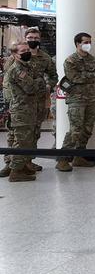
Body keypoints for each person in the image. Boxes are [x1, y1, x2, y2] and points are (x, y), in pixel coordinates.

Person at [59, 32, 95, 172]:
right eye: (85, 42)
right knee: (75, 130)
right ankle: (63, 159)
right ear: (77, 44)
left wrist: (84, 76)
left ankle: (79, 156)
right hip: (76, 100)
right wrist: (90, 76)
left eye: (89, 42)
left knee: (87, 129)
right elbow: (73, 77)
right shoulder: (70, 61)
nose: (88, 45)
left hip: (92, 99)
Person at [15, 27, 56, 173]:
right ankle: (12, 164)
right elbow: (8, 79)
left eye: (35, 38)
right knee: (16, 133)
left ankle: (28, 161)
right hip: (20, 102)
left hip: (38, 101)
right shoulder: (18, 55)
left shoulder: (45, 58)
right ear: (26, 39)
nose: (33, 40)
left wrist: (48, 85)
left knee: (34, 131)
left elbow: (53, 75)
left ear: (40, 39)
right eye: (30, 38)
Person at [2, 42, 42, 182]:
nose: (27, 52)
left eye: (27, 50)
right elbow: (32, 88)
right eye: (22, 51)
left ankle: (23, 166)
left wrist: (37, 82)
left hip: (30, 109)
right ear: (14, 54)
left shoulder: (27, 66)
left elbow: (37, 83)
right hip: (21, 110)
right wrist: (38, 82)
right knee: (22, 141)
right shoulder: (17, 70)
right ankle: (15, 171)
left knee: (28, 139)